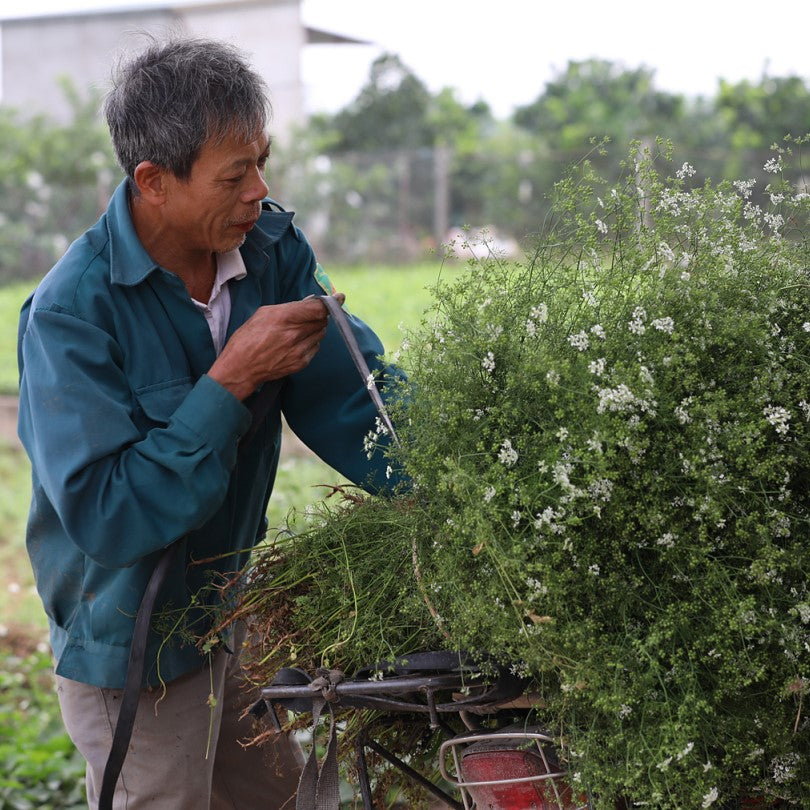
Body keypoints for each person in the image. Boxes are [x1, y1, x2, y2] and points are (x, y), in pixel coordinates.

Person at [17, 36, 401, 809]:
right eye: (235, 174)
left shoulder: (269, 249)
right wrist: (230, 379)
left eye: (262, 161)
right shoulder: (71, 315)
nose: (259, 190)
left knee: (280, 799)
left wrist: (474, 481)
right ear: (153, 181)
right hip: (133, 649)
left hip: (228, 613)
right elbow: (111, 515)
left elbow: (359, 399)